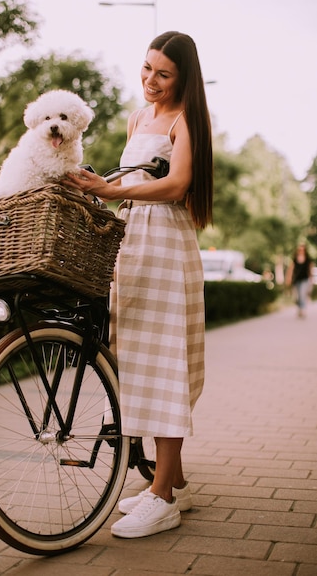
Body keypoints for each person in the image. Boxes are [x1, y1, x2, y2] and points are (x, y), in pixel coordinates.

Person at [64, 31, 213, 539]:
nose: (151, 81)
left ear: (183, 77)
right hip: (133, 243)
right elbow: (128, 182)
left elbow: (176, 185)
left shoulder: (185, 118)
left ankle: (163, 497)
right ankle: (171, 483)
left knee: (166, 363)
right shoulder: (137, 117)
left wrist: (114, 189)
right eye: (147, 68)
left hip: (167, 244)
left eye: (163, 74)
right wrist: (93, 187)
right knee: (139, 362)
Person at [285, 244, 313, 318]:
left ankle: (302, 310)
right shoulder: (295, 259)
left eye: (302, 249)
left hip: (305, 279)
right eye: (299, 250)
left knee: (302, 294)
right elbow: (290, 270)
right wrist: (288, 278)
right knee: (297, 296)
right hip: (296, 280)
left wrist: (311, 280)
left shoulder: (308, 259)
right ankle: (299, 309)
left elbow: (310, 270)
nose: (301, 251)